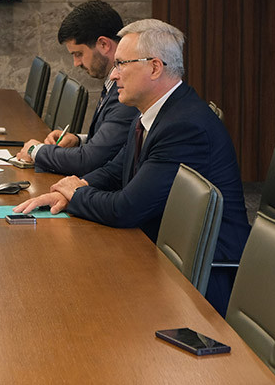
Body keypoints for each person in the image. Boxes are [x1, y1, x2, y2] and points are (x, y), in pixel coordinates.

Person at [14, 19, 250, 315]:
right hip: (158, 249)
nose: (113, 75)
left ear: (155, 67)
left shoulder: (184, 126)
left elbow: (126, 208)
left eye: (121, 64)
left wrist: (76, 194)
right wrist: (72, 188)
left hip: (202, 283)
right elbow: (116, 169)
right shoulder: (151, 112)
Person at [16, 0, 139, 176]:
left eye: (79, 54)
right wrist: (78, 140)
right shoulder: (112, 83)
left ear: (104, 45)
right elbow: (112, 144)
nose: (76, 63)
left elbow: (89, 161)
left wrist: (35, 151)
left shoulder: (127, 92)